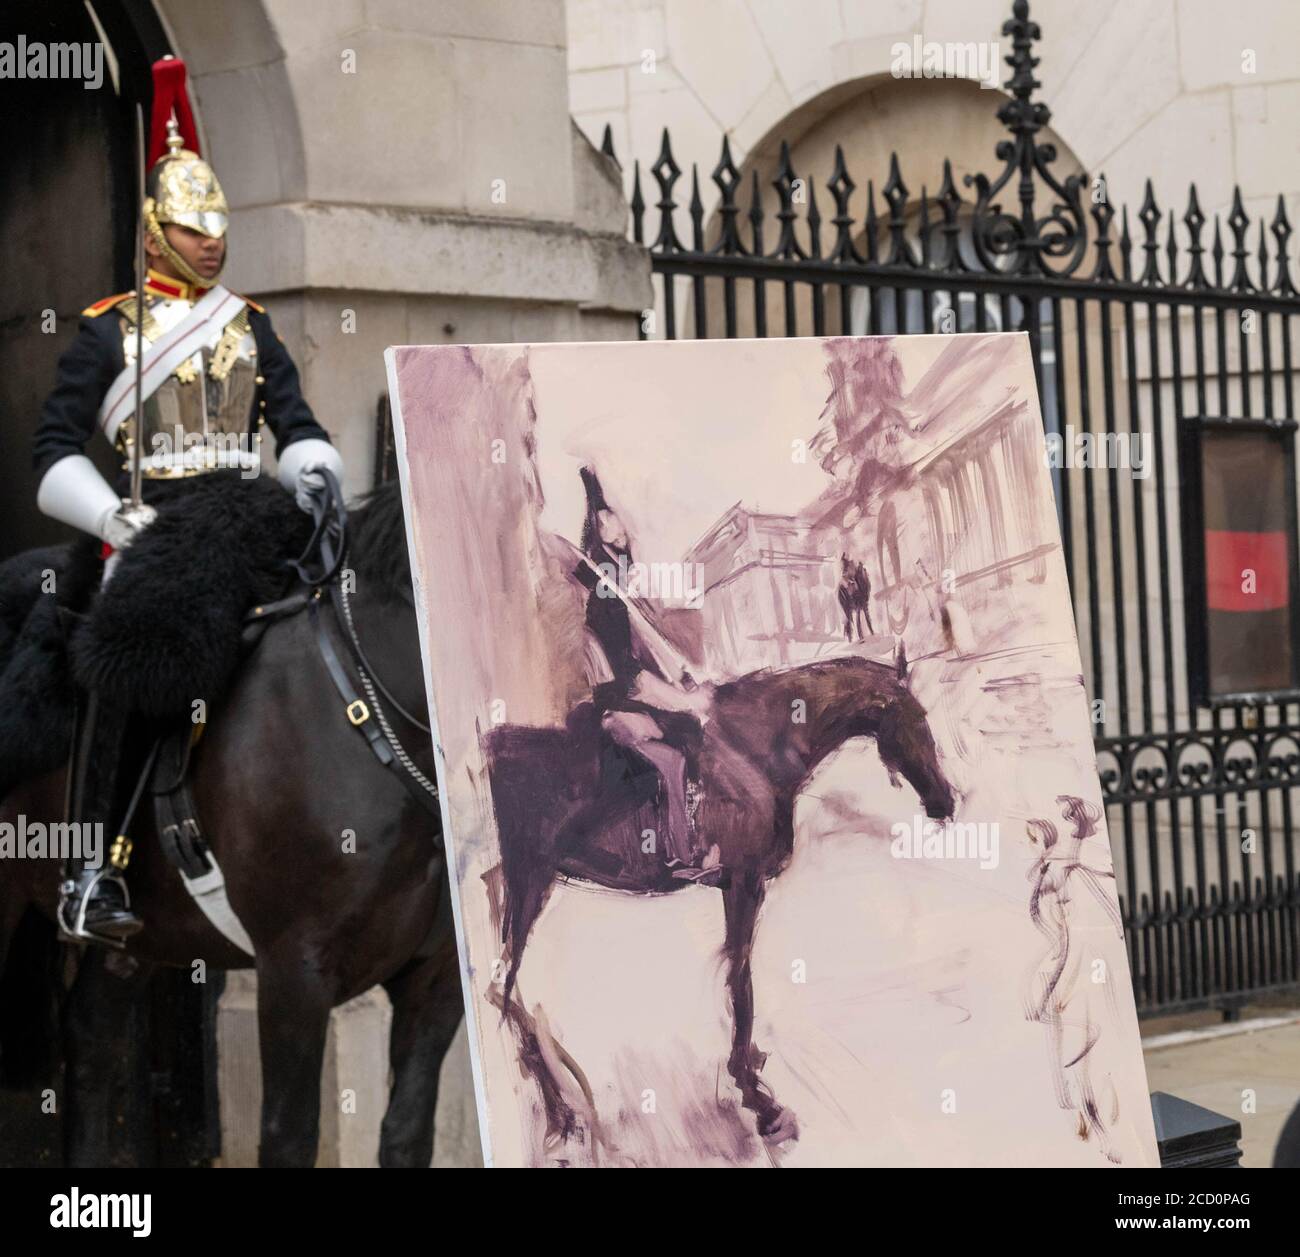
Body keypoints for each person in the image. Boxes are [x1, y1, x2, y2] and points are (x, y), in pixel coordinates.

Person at [31, 57, 342, 943]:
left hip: (246, 519)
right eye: (192, 227)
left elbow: (298, 423)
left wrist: (316, 470)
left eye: (217, 226)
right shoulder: (108, 330)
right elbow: (54, 452)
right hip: (150, 527)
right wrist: (109, 517)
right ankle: (92, 869)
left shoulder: (251, 326)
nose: (213, 241)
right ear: (157, 228)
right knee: (118, 661)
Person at [573, 466, 722, 884]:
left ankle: (702, 837)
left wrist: (686, 688)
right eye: (605, 519)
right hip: (616, 710)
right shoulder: (605, 599)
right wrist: (682, 700)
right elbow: (626, 675)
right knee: (672, 763)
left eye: (614, 517)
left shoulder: (626, 595)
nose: (616, 524)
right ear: (599, 528)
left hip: (635, 699)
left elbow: (655, 653)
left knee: (694, 741)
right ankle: (680, 857)